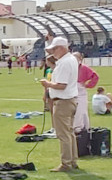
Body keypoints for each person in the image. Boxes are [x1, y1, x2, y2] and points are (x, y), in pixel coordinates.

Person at [39, 37, 79, 172]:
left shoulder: (64, 63)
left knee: (63, 134)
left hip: (63, 101)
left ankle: (66, 163)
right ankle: (73, 160)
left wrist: (47, 84)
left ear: (61, 48)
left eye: (54, 49)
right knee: (69, 132)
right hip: (71, 99)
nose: (52, 53)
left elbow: (61, 85)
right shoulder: (72, 59)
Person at [73, 53, 99, 132]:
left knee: (81, 109)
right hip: (71, 89)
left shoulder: (84, 68)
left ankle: (82, 126)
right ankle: (77, 126)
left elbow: (95, 76)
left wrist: (88, 85)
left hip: (80, 89)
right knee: (74, 109)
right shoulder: (70, 67)